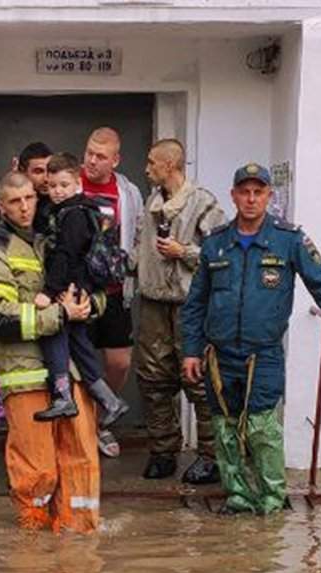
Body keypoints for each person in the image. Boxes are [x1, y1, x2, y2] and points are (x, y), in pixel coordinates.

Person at [180, 163, 321, 515]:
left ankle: (271, 500)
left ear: (268, 196)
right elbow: (195, 303)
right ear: (233, 196)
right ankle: (237, 497)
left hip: (262, 355)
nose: (250, 199)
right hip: (219, 356)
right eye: (244, 192)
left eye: (258, 192)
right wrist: (190, 350)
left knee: (263, 427)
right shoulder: (216, 243)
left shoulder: (289, 240)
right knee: (226, 429)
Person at [0, 171, 103, 533]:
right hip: (26, 374)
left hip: (71, 373)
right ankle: (32, 553)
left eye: (30, 198)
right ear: (2, 206)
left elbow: (88, 282)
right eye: (15, 201)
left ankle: (80, 543)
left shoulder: (54, 238)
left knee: (81, 461)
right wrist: (59, 314)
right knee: (37, 468)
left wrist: (93, 304)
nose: (25, 207)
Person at [130, 138, 224, 482]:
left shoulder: (203, 203)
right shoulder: (151, 202)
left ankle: (211, 457)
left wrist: (183, 251)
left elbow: (220, 254)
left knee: (198, 381)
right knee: (153, 381)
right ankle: (163, 451)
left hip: (190, 306)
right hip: (154, 303)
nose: (147, 169)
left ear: (169, 165)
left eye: (152, 163)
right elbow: (141, 248)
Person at [31, 154, 129, 427]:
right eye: (52, 186)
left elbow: (66, 254)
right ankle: (110, 400)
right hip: (81, 285)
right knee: (80, 343)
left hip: (69, 287)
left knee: (54, 334)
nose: (57, 191)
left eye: (64, 185)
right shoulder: (82, 210)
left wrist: (50, 292)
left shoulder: (72, 215)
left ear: (77, 183)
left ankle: (62, 396)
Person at [79, 127, 144, 460]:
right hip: (78, 293)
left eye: (100, 156)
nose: (91, 160)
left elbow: (139, 235)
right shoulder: (70, 182)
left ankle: (102, 419)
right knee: (79, 363)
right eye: (89, 152)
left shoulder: (128, 192)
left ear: (115, 160)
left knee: (119, 362)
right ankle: (80, 427)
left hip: (116, 291)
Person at [0, 142, 53, 226]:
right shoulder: (11, 201)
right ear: (23, 171)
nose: (46, 178)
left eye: (51, 170)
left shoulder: (60, 198)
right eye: (38, 171)